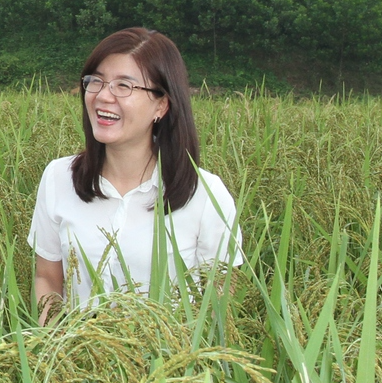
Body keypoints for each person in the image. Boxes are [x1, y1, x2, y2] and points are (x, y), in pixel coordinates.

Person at [29, 27, 241, 318]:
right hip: (76, 356)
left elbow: (220, 299)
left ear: (161, 105)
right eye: (96, 81)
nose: (103, 96)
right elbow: (47, 277)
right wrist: (54, 341)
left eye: (123, 86)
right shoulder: (58, 178)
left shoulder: (205, 194)